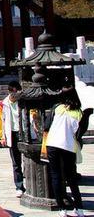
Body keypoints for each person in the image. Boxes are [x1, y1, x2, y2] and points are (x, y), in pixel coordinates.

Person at [46, 88, 83, 217]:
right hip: (67, 145)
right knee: (71, 177)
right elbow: (77, 131)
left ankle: (61, 208)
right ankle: (79, 208)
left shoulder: (57, 108)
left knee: (56, 176)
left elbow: (47, 125)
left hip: (52, 143)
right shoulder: (78, 112)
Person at [0, 80, 25, 197]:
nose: (15, 96)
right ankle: (19, 186)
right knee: (16, 163)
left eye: (17, 93)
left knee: (28, 160)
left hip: (23, 132)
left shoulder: (23, 101)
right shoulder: (2, 105)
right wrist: (2, 135)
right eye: (13, 94)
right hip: (11, 133)